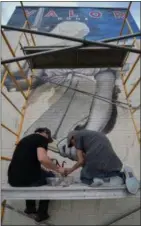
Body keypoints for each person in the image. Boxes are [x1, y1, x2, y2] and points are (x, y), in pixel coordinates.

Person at [8, 127, 65, 222]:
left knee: (35, 176)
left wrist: (45, 169)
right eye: (48, 138)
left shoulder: (25, 140)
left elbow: (29, 164)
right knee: (51, 177)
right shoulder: (41, 139)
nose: (47, 141)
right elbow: (42, 158)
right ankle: (42, 213)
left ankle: (30, 208)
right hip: (28, 179)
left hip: (13, 180)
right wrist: (58, 169)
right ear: (46, 133)